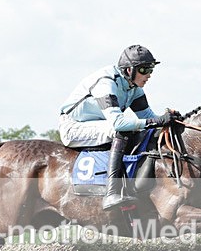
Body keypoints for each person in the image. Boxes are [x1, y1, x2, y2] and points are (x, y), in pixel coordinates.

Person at [58, 44, 180, 210]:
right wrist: (155, 122)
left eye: (151, 69)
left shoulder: (134, 88)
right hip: (73, 128)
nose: (149, 75)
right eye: (145, 70)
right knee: (120, 130)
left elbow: (148, 118)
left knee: (146, 131)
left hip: (96, 124)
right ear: (129, 70)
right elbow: (118, 123)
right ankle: (112, 192)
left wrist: (169, 120)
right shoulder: (106, 84)